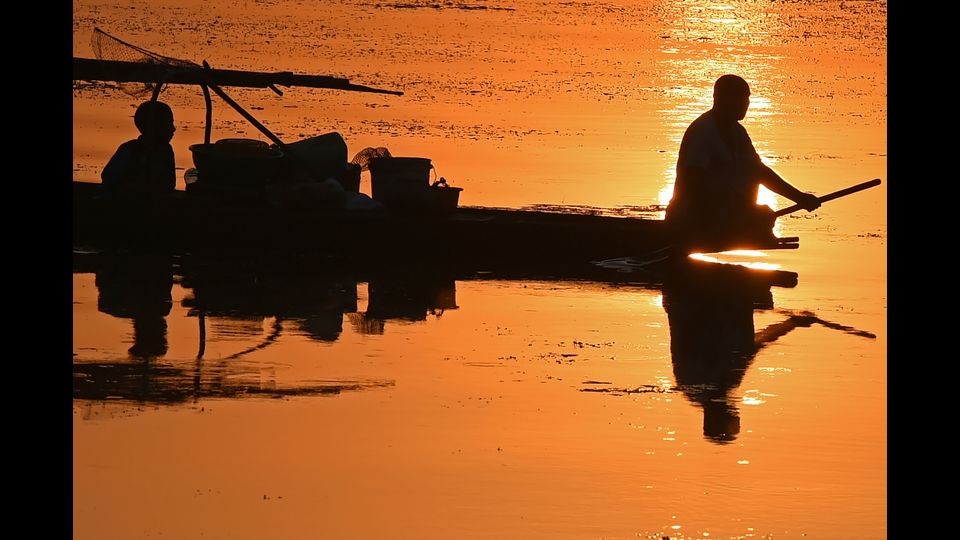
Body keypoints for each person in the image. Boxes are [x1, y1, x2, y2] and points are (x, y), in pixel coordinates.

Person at [665, 75, 820, 245]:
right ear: (721, 99)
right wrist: (718, 218)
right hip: (692, 214)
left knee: (764, 215)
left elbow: (759, 171)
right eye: (740, 98)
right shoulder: (703, 131)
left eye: (747, 98)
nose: (745, 104)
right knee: (761, 216)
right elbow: (692, 181)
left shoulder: (738, 132)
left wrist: (799, 197)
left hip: (722, 214)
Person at [100, 100, 177, 199]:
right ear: (155, 126)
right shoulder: (129, 150)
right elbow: (109, 178)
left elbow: (169, 185)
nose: (173, 129)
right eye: (169, 124)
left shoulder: (166, 151)